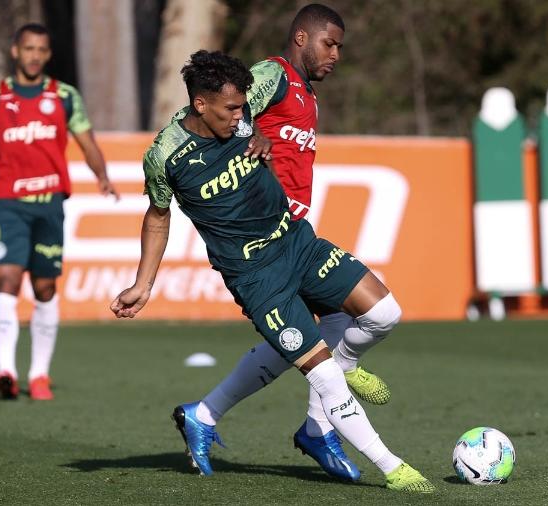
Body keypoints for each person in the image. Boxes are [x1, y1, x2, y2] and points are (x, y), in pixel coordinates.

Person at [110, 50, 433, 493]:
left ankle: (340, 366)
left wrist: (258, 131)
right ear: (200, 105)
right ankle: (393, 467)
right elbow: (158, 216)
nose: (241, 116)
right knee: (324, 376)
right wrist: (142, 284)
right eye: (232, 109)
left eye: (244, 108)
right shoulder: (166, 156)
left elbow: (250, 118)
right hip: (258, 277)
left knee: (383, 313)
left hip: (297, 241)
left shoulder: (239, 120)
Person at [179, 4, 393, 481]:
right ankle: (322, 431)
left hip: (296, 235)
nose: (336, 54)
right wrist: (249, 132)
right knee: (321, 339)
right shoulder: (272, 75)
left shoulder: (308, 96)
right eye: (329, 43)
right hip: (264, 242)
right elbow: (223, 108)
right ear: (301, 37)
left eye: (339, 46)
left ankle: (210, 415)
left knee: (360, 318)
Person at [0, 23, 119, 400]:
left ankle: (39, 374)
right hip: (8, 203)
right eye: (28, 49)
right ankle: (5, 371)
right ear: (15, 51)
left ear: (48, 54)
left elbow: (87, 141)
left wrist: (102, 176)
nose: (35, 56)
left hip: (50, 205)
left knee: (44, 287)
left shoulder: (64, 97)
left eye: (41, 50)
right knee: (7, 279)